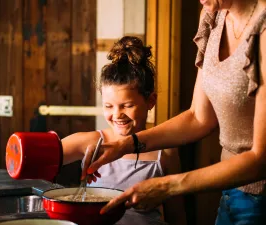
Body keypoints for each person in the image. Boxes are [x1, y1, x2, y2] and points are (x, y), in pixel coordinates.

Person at [82, 1, 266, 224]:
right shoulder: (213, 16)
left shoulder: (263, 27)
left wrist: (167, 185)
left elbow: (260, 159)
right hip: (232, 191)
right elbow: (198, 117)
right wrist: (126, 145)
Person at [61, 36, 187, 225]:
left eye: (127, 105)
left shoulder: (165, 151)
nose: (117, 114)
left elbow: (177, 215)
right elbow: (43, 156)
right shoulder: (90, 143)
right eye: (108, 106)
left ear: (150, 101)